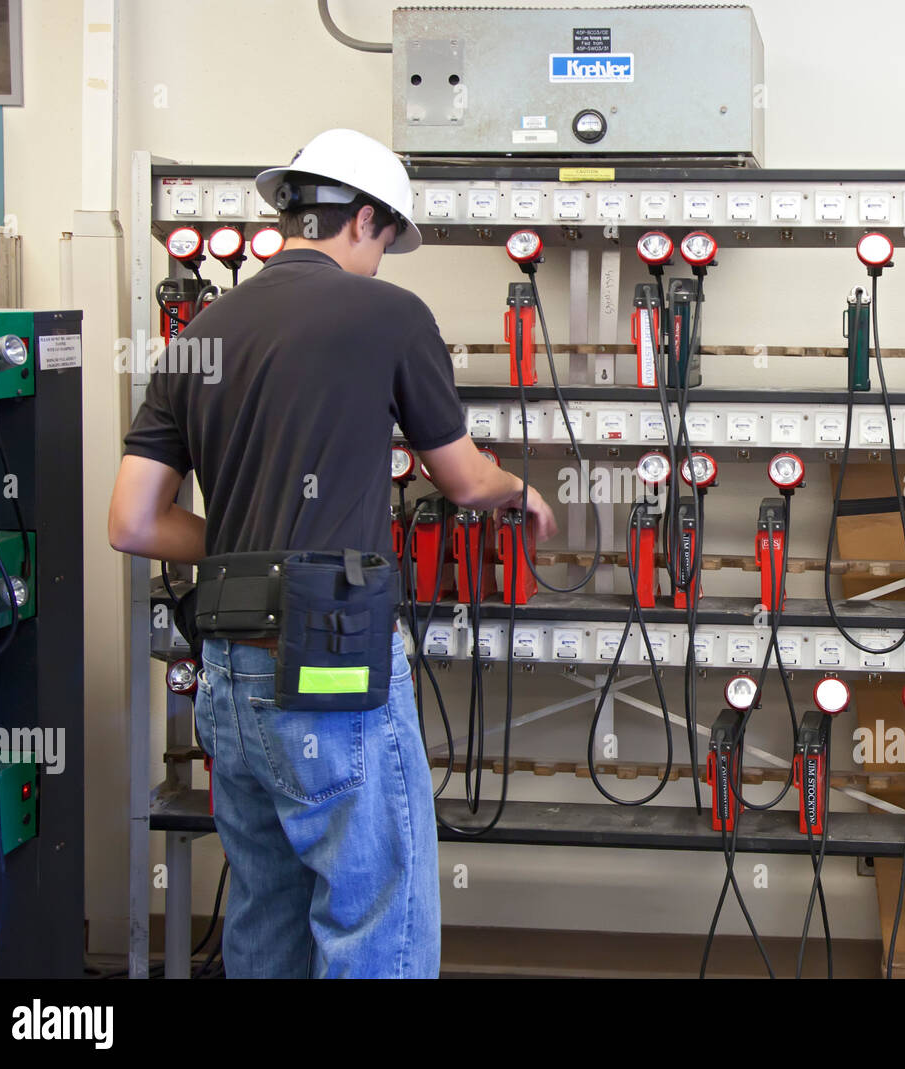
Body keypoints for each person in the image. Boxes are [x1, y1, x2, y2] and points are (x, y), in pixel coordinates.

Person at [108, 128, 556, 978]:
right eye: (387, 241)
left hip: (227, 675)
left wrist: (247, 551)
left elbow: (132, 520)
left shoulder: (202, 329)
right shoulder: (389, 314)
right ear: (365, 220)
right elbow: (460, 478)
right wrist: (516, 491)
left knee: (266, 915)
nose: (384, 260)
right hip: (329, 666)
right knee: (379, 918)